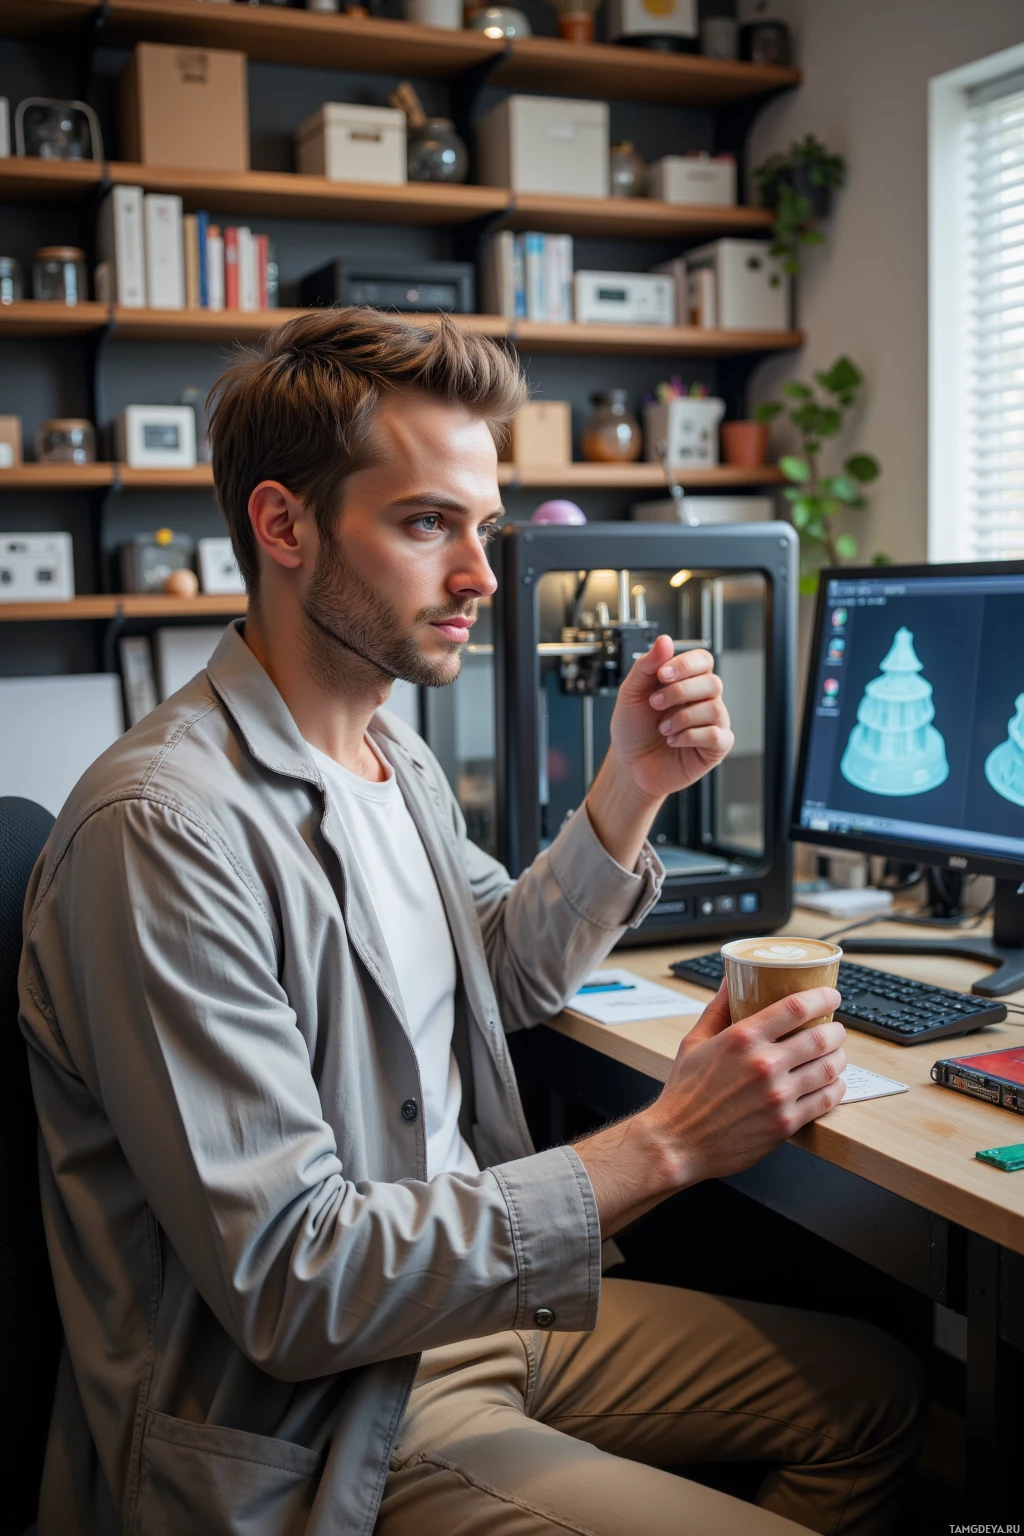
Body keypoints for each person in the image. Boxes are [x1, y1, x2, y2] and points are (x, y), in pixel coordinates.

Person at [19, 311, 925, 1536]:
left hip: (466, 1319)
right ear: (283, 526)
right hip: (326, 1408)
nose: (482, 577)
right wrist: (665, 1143)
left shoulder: (389, 752)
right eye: (426, 523)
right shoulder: (165, 832)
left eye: (482, 527)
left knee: (879, 1396)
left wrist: (632, 784)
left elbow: (493, 973)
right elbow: (296, 1282)